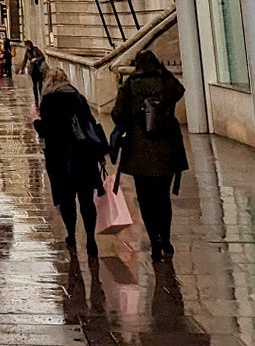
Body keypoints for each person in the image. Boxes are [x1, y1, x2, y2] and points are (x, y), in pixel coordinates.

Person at [112, 49, 188, 262]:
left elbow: (118, 114)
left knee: (145, 199)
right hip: (166, 150)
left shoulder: (130, 85)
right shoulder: (165, 81)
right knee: (163, 198)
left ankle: (154, 242)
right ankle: (166, 239)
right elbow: (180, 90)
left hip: (139, 151)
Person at [34, 68, 107, 257]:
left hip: (61, 158)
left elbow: (46, 130)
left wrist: (35, 121)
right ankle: (90, 236)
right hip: (83, 155)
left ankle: (71, 235)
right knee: (86, 200)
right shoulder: (78, 97)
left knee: (67, 200)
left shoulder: (48, 101)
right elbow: (90, 124)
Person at [22, 40, 47, 106]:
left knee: (40, 84)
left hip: (39, 69)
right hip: (33, 70)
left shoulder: (36, 49)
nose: (26, 47)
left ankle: (41, 97)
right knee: (34, 85)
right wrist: (21, 69)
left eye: (26, 45)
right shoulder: (27, 52)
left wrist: (36, 59)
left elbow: (42, 57)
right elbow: (24, 60)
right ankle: (36, 99)